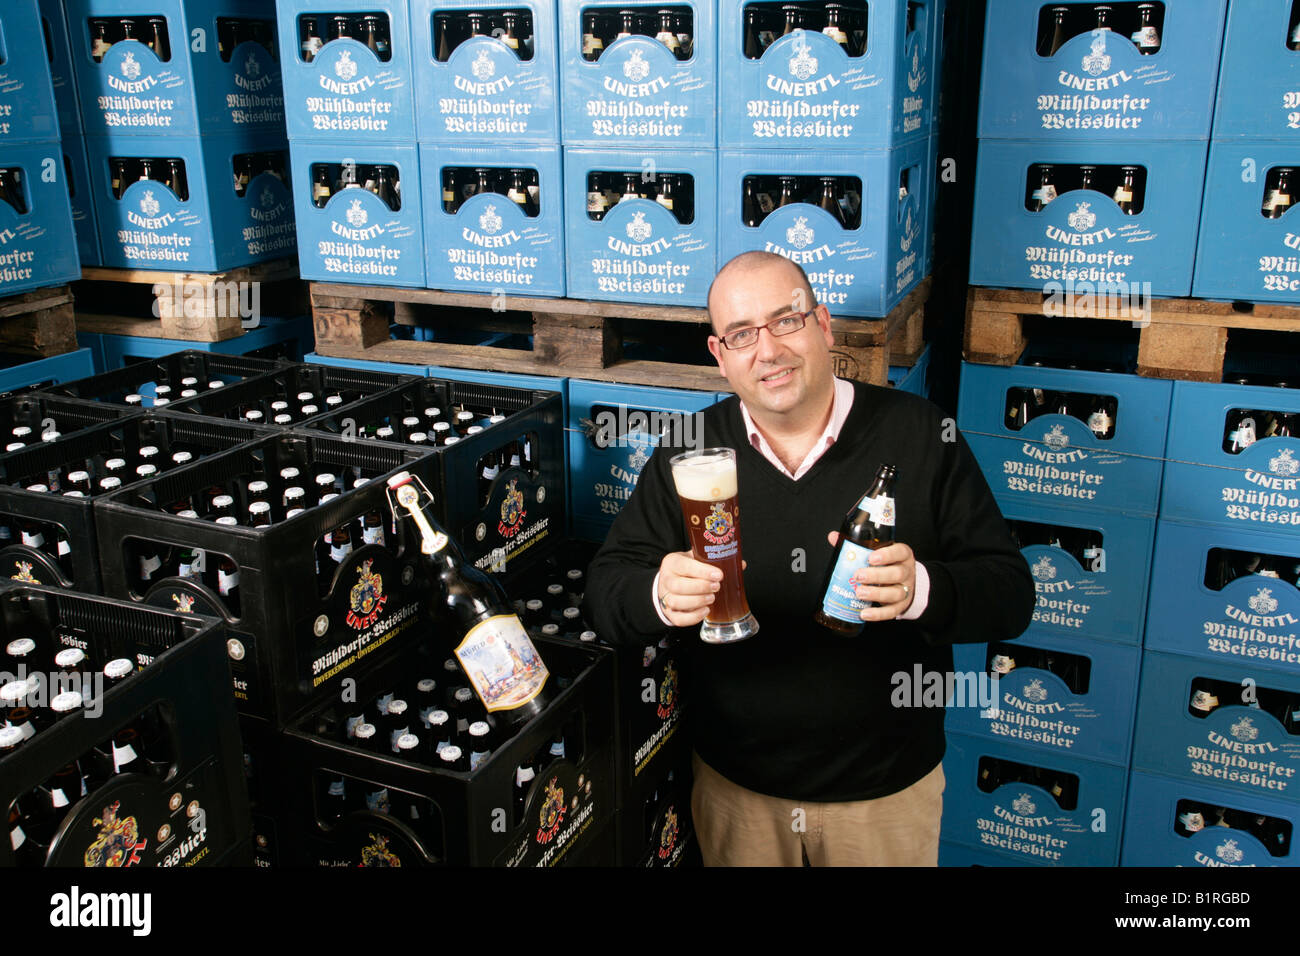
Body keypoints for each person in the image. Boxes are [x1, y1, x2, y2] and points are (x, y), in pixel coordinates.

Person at [583, 251, 1034, 866]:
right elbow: (607, 592)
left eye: (786, 321)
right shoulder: (689, 452)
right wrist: (658, 595)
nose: (767, 351)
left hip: (885, 797)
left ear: (823, 326)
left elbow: (1011, 595)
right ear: (720, 355)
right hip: (736, 792)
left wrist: (919, 591)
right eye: (742, 334)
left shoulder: (922, 433)